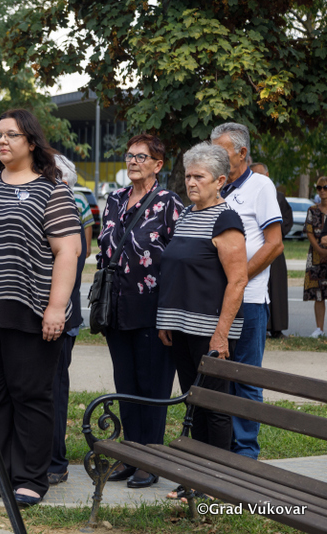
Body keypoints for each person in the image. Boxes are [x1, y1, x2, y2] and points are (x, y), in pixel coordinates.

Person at [0, 109, 81, 506]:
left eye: (11, 135)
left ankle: (30, 478)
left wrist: (56, 307)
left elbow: (68, 251)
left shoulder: (52, 190)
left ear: (32, 142)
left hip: (30, 311)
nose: (2, 141)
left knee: (30, 396)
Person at [156, 143, 248, 499]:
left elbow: (237, 281)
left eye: (199, 177)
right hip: (181, 328)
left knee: (215, 407)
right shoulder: (186, 215)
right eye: (188, 176)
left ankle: (215, 483)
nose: (191, 182)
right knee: (193, 401)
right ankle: (195, 479)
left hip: (211, 332)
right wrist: (167, 319)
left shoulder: (226, 220)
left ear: (220, 181)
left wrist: (221, 335)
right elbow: (178, 272)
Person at [96, 133, 183, 489]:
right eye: (130, 155)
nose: (132, 161)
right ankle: (130, 454)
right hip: (116, 308)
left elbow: (177, 261)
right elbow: (103, 249)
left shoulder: (168, 203)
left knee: (152, 387)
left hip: (153, 310)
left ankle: (151, 457)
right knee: (126, 384)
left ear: (158, 164)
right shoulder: (114, 199)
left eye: (141, 157)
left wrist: (170, 314)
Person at [211, 123, 283, 460]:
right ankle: (222, 449)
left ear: (242, 153)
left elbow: (274, 244)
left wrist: (237, 278)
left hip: (249, 301)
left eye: (221, 150)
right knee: (218, 377)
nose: (214, 156)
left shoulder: (261, 185)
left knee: (246, 379)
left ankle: (245, 455)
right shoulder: (217, 187)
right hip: (217, 301)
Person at [48, 156, 90, 486]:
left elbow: (77, 256)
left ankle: (54, 461)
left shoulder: (72, 205)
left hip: (60, 313)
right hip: (38, 312)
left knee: (54, 389)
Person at [249, 163, 293, 338]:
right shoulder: (248, 195)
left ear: (267, 175)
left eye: (260, 175)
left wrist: (272, 234)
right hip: (255, 251)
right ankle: (263, 326)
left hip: (273, 251)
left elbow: (287, 221)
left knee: (277, 290)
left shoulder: (278, 196)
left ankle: (277, 328)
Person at [305, 176, 327, 337]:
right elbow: (309, 231)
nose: (322, 191)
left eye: (325, 187)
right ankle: (319, 329)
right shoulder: (312, 210)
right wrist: (319, 250)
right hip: (316, 255)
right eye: (319, 188)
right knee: (319, 293)